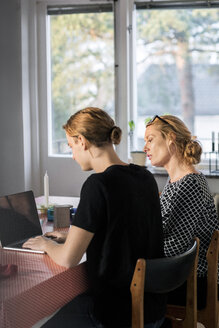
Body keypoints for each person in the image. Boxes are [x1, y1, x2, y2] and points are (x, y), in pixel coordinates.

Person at [23, 107, 166, 328]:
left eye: (71, 147)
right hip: (153, 312)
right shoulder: (144, 177)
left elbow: (68, 259)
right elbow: (122, 229)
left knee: (37, 320)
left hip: (115, 315)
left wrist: (45, 243)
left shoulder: (97, 185)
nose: (72, 155)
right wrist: (71, 236)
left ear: (82, 141)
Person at [144, 114, 219, 314]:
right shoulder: (175, 182)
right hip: (181, 275)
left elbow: (175, 247)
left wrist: (132, 249)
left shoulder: (190, 183)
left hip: (194, 280)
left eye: (150, 140)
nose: (145, 148)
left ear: (170, 138)